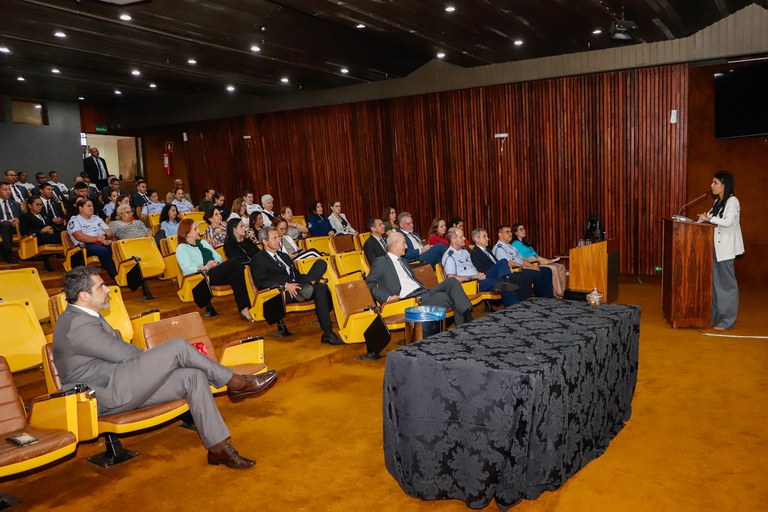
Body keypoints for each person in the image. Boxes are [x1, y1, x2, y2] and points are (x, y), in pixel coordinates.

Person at [52, 266, 277, 469]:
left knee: (193, 376)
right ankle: (237, 382)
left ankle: (219, 448)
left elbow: (125, 357)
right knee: (177, 348)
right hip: (108, 393)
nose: (108, 289)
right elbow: (125, 355)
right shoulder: (77, 323)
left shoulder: (84, 316)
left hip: (121, 383)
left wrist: (156, 365)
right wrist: (158, 363)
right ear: (84, 295)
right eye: (101, 286)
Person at [250, 226, 343, 345]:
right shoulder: (258, 259)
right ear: (265, 241)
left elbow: (296, 275)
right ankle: (327, 331)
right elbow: (261, 283)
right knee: (321, 287)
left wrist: (304, 281)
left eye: (279, 237)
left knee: (321, 264)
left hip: (298, 285)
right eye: (275, 238)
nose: (279, 240)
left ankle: (327, 333)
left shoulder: (283, 256)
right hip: (281, 293)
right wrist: (285, 285)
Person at [365, 232, 473, 325]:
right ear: (395, 244)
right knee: (449, 296)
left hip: (424, 292)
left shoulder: (403, 261)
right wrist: (387, 298)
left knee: (452, 281)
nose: (406, 247)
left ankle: (466, 322)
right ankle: (467, 322)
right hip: (412, 300)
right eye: (404, 243)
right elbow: (370, 283)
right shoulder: (381, 262)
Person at [176, 219, 254, 321]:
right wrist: (206, 267)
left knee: (235, 275)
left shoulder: (203, 242)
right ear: (187, 233)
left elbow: (218, 256)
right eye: (195, 229)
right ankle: (252, 289)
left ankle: (244, 309)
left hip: (214, 271)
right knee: (234, 262)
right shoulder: (182, 248)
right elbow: (186, 269)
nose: (199, 231)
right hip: (202, 277)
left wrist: (215, 262)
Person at [697, 170, 744, 330]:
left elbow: (728, 221)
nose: (712, 186)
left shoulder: (733, 201)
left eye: (715, 183)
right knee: (715, 285)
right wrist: (700, 220)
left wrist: (709, 219)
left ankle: (727, 320)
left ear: (725, 185)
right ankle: (715, 317)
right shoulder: (718, 201)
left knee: (726, 286)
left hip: (725, 249)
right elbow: (708, 218)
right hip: (714, 248)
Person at [470, 228, 535, 301]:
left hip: (500, 274)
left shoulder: (488, 250)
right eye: (484, 236)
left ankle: (525, 301)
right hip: (488, 275)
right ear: (477, 239)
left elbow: (496, 263)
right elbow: (480, 270)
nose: (488, 239)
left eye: (487, 236)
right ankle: (507, 279)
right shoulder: (474, 253)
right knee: (504, 261)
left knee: (524, 276)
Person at [493, 225, 553, 298]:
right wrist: (530, 268)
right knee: (535, 274)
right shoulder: (499, 248)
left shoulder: (510, 246)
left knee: (547, 270)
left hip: (521, 267)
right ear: (500, 234)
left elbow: (522, 259)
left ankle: (547, 297)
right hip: (513, 271)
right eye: (507, 232)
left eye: (510, 232)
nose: (510, 234)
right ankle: (539, 298)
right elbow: (511, 264)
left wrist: (532, 266)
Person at [512, 223, 566, 298]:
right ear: (515, 233)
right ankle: (558, 292)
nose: (524, 231)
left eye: (524, 229)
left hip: (536, 260)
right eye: (521, 229)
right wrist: (544, 262)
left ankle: (562, 291)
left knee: (561, 267)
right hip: (532, 263)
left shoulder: (526, 243)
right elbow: (524, 259)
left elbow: (537, 256)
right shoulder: (516, 244)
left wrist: (548, 260)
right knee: (553, 268)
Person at [67, 198, 117, 278]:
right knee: (103, 250)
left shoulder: (96, 218)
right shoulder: (74, 220)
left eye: (92, 206)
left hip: (101, 242)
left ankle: (124, 273)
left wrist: (104, 237)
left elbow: (109, 232)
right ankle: (116, 276)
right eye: (88, 206)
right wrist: (98, 240)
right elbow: (80, 237)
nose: (92, 208)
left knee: (118, 247)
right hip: (83, 247)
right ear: (80, 208)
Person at [0, 181, 22, 263]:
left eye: (9, 189)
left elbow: (21, 217)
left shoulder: (15, 204)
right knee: (5, 224)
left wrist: (17, 220)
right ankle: (8, 253)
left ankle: (30, 253)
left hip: (15, 227)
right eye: (5, 190)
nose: (8, 192)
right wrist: (8, 221)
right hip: (1, 227)